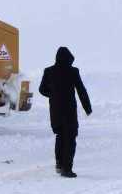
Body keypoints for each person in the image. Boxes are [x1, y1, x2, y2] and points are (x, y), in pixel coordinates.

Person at [39, 47, 92, 178]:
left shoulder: (49, 71)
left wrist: (53, 95)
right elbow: (81, 90)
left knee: (60, 136)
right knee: (70, 138)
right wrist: (87, 107)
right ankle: (66, 169)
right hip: (69, 112)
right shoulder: (73, 71)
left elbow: (42, 89)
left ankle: (59, 164)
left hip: (55, 111)